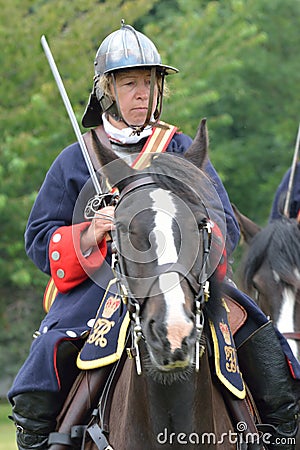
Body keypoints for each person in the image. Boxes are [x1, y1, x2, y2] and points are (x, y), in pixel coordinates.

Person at [8, 21, 299, 450]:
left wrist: (185, 235)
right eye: (129, 83)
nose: (142, 93)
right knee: (47, 355)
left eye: (149, 83)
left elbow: (226, 225)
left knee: (261, 342)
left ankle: (278, 437)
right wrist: (92, 231)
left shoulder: (182, 149)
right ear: (107, 89)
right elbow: (39, 238)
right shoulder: (76, 160)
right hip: (102, 287)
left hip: (184, 277)